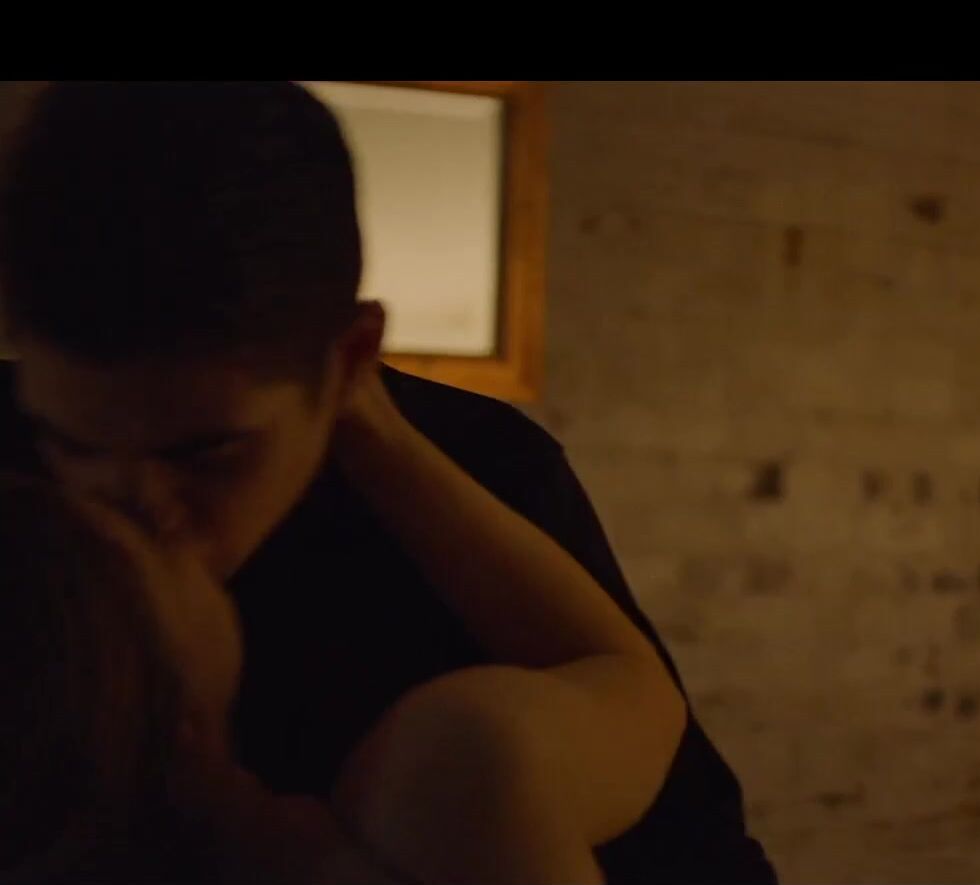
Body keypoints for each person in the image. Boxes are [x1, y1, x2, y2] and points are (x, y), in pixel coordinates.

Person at [0, 81, 776, 883]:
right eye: (70, 442)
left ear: (346, 361)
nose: (132, 515)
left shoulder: (485, 470)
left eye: (208, 454)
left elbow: (695, 848)